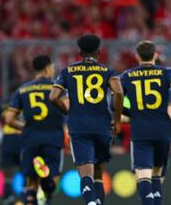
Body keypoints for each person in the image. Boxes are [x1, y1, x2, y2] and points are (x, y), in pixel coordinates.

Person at [49, 35, 123, 205]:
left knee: (85, 171)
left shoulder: (68, 71)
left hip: (78, 125)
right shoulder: (107, 71)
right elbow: (118, 92)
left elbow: (53, 97)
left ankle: (90, 202)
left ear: (80, 52)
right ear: (99, 52)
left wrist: (67, 109)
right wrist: (117, 120)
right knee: (98, 173)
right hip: (102, 125)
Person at [119, 41, 171, 205]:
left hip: (141, 131)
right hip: (162, 131)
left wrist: (133, 114)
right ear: (156, 55)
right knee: (157, 175)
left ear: (137, 57)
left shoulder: (128, 76)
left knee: (142, 177)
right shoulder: (167, 77)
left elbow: (118, 106)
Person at [5, 55, 66, 205]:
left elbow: (9, 119)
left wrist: (25, 126)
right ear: (47, 68)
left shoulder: (23, 89)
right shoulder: (57, 89)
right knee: (53, 179)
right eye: (52, 68)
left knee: (31, 182)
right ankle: (46, 181)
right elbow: (67, 109)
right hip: (53, 137)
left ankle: (32, 199)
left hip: (30, 138)